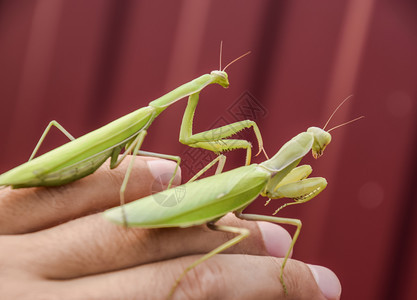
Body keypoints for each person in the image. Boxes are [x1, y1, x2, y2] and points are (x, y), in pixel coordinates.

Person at [0, 157, 341, 299]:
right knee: (288, 225)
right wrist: (193, 275)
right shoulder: (260, 171)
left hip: (199, 203)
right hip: (190, 208)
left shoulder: (260, 169)